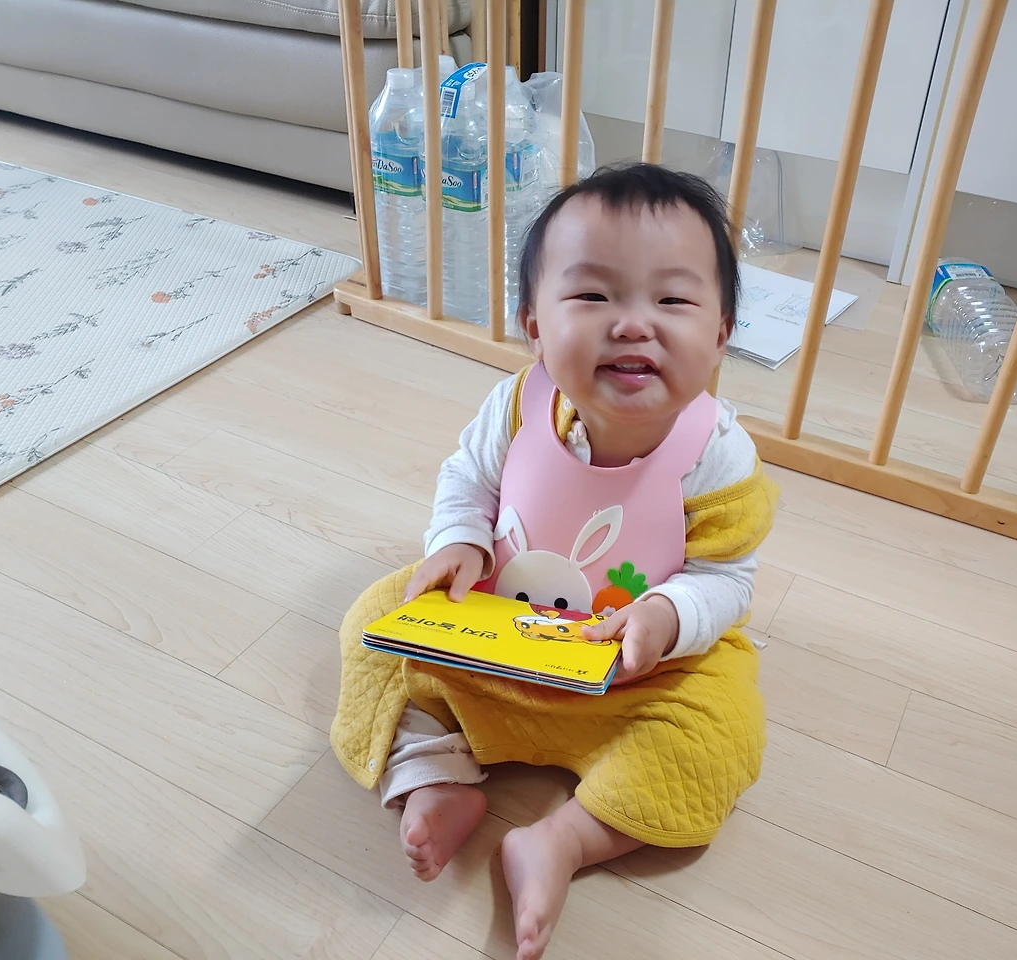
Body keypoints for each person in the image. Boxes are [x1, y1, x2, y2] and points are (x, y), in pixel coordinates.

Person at [331, 163, 778, 960]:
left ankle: (562, 841)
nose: (633, 325)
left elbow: (725, 578)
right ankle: (436, 777)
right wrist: (458, 542)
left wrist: (666, 616)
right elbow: (468, 480)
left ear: (721, 333)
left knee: (720, 731)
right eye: (595, 295)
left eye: (672, 301)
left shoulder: (717, 454)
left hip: (632, 673)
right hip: (496, 630)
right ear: (534, 324)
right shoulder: (517, 404)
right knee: (375, 625)